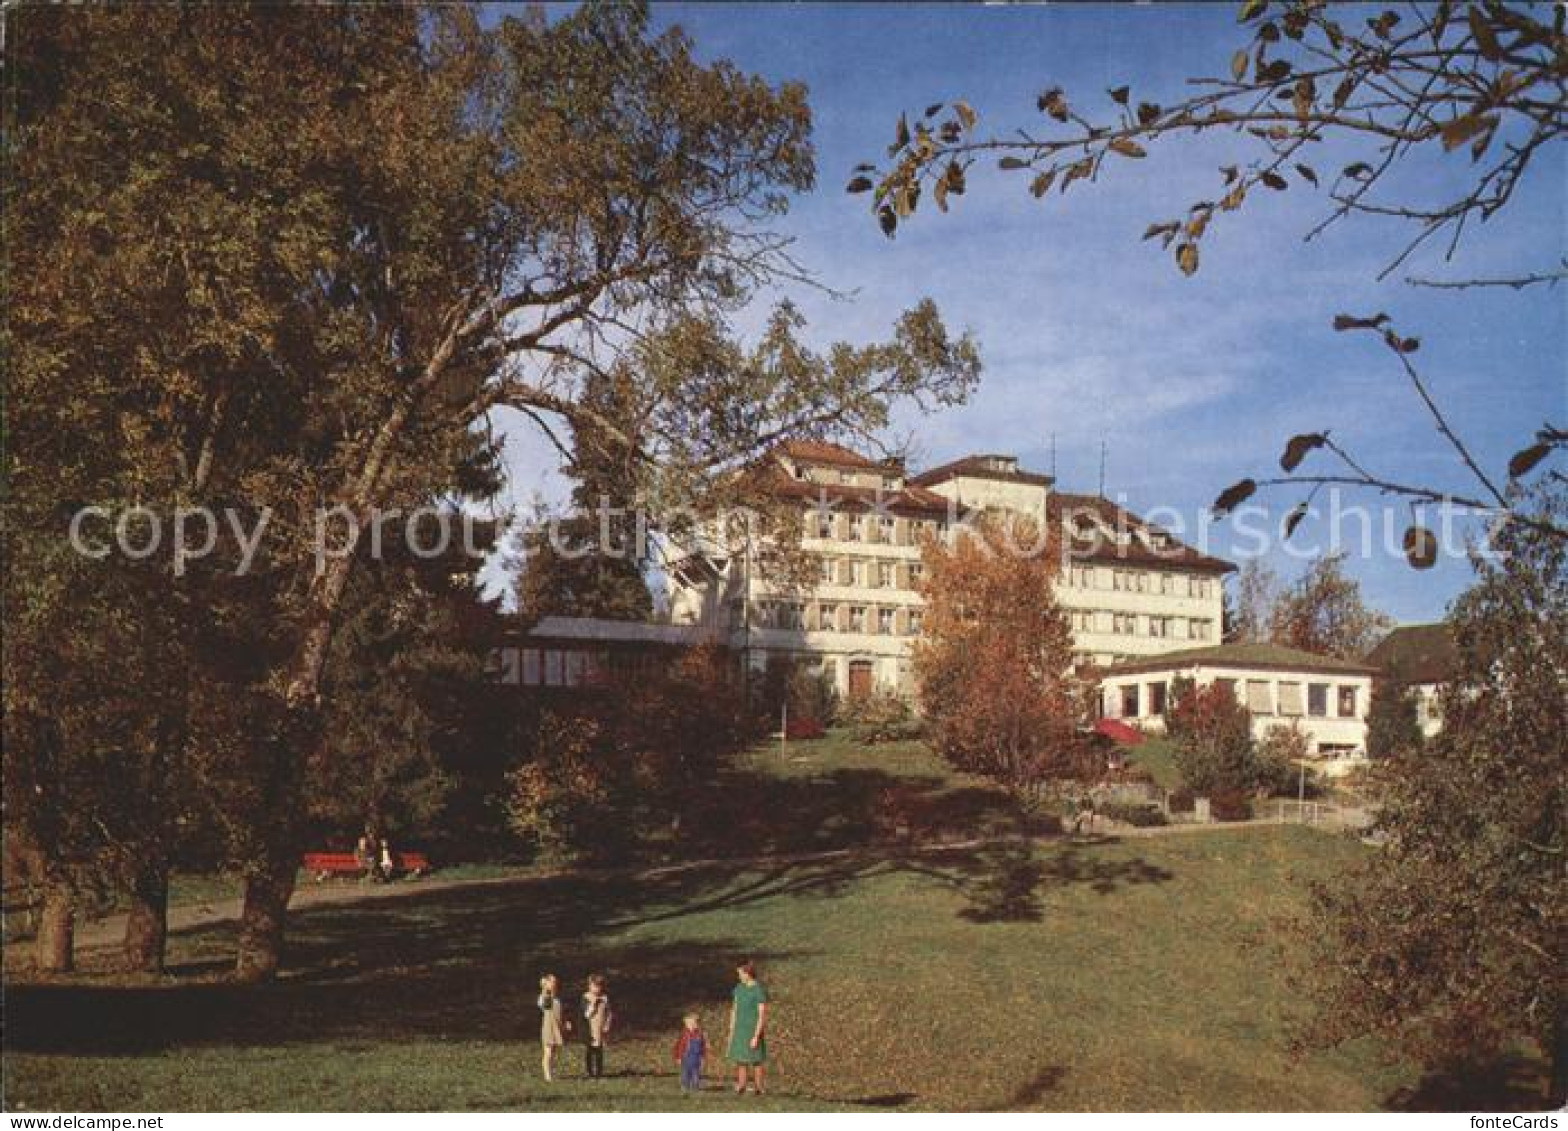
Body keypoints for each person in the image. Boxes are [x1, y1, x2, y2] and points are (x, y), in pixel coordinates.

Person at [725, 959, 769, 1095]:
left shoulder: (758, 990)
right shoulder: (738, 989)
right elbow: (734, 1009)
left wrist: (756, 1035)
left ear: (748, 973)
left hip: (752, 1029)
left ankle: (759, 1087)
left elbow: (762, 1015)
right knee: (741, 1060)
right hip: (740, 1029)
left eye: (740, 973)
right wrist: (731, 1029)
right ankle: (741, 1086)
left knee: (756, 1060)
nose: (739, 976)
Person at [538, 974, 568, 1081]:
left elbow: (561, 1013)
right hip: (548, 1028)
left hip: (557, 1028)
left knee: (553, 1052)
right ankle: (547, 1075)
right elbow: (544, 1005)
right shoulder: (545, 997)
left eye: (555, 982)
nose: (554, 984)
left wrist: (565, 1023)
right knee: (548, 1052)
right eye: (551, 982)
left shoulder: (558, 999)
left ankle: (550, 1070)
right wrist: (545, 989)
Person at [581, 973, 612, 1079]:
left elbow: (609, 1012)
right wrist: (593, 1004)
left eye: (599, 986)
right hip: (590, 1028)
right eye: (594, 986)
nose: (597, 989)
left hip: (600, 1028)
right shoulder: (586, 997)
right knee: (590, 1050)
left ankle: (599, 1072)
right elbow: (586, 1015)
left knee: (599, 1050)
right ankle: (590, 1071)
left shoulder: (604, 998)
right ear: (589, 986)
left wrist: (607, 1024)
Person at [673, 1012, 708, 1093]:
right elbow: (678, 1046)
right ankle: (685, 1086)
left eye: (695, 1023)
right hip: (686, 1057)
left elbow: (702, 1047)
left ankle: (695, 1087)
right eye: (690, 1024)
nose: (693, 1026)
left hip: (696, 1058)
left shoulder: (699, 1035)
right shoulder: (684, 1035)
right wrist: (678, 1057)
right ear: (686, 1025)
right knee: (685, 1073)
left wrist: (703, 1057)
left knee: (696, 1074)